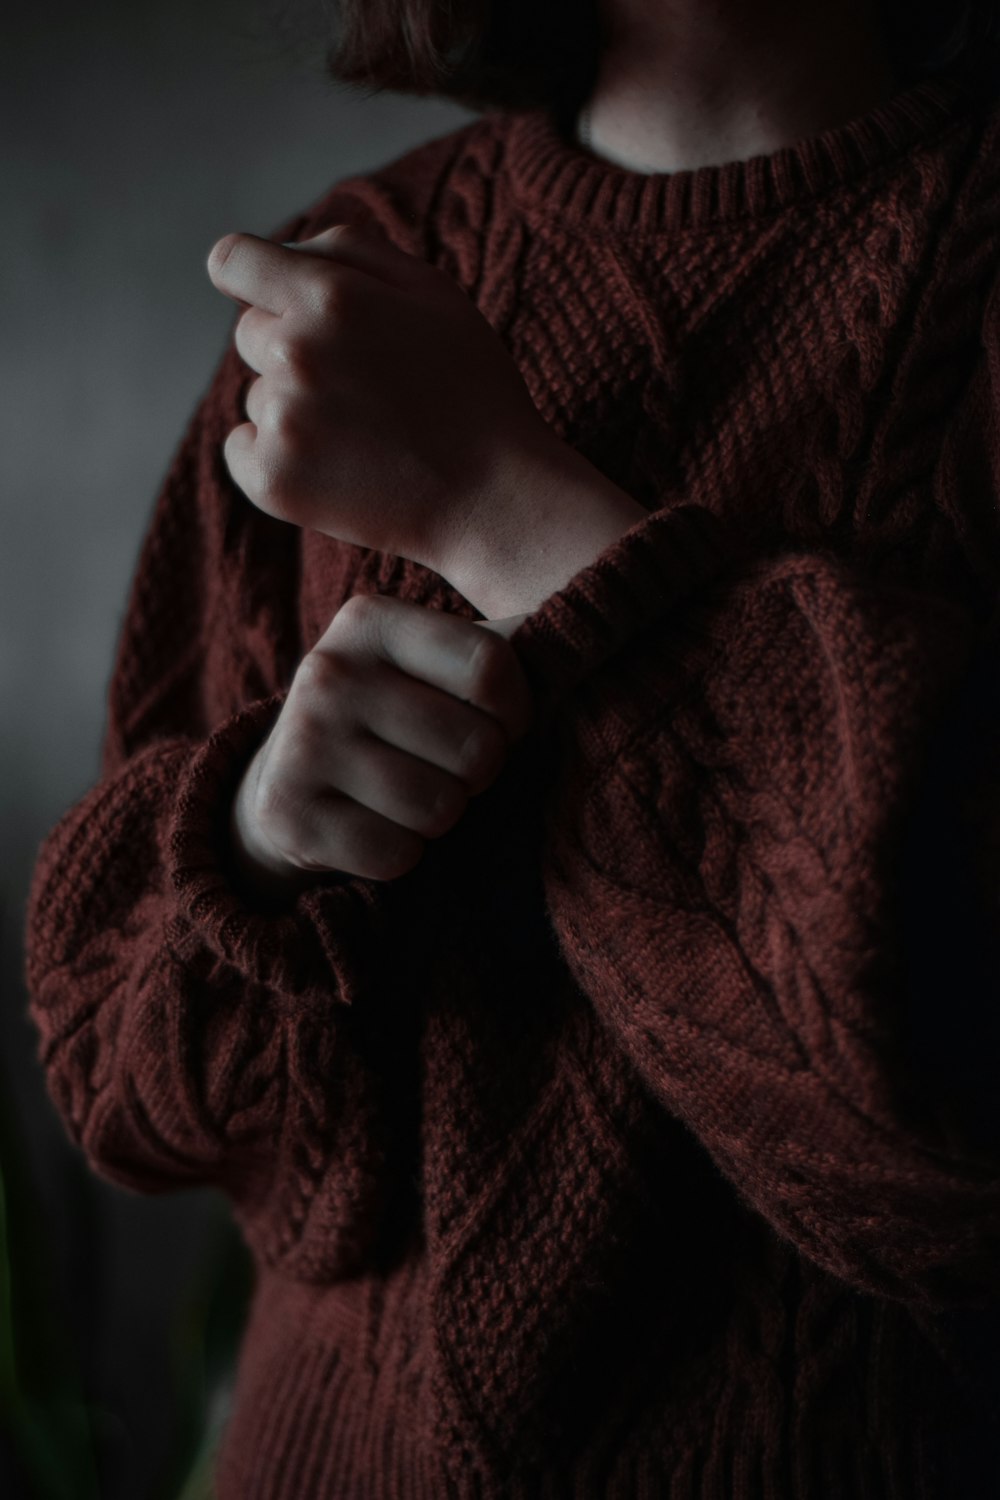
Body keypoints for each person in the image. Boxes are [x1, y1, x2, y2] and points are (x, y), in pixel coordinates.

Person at [22, 0, 1000, 1493]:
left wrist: (503, 504)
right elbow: (117, 1074)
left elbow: (953, 1151)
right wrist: (258, 848)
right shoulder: (346, 283)